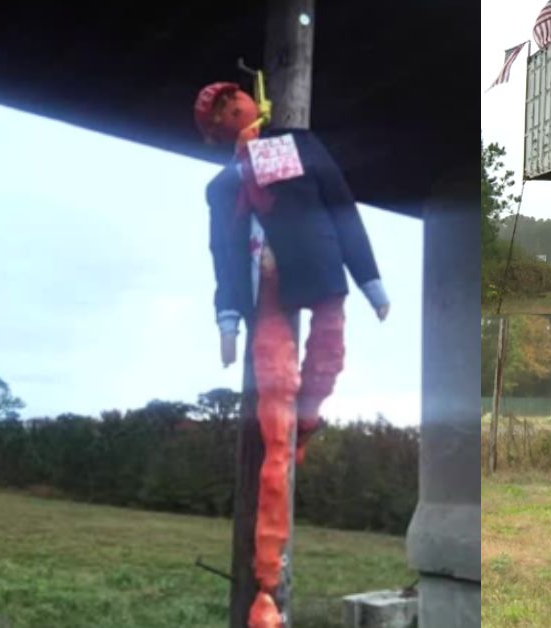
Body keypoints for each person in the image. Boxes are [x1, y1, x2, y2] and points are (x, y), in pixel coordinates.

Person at [194, 81, 390, 628]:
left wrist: (370, 278)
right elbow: (223, 253)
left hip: (321, 275)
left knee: (327, 363)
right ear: (215, 133)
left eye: (235, 103)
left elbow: (341, 206)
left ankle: (302, 432)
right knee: (273, 407)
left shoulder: (298, 145)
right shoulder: (221, 186)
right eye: (221, 116)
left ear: (251, 102)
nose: (233, 113)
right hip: (265, 299)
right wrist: (227, 317)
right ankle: (266, 591)